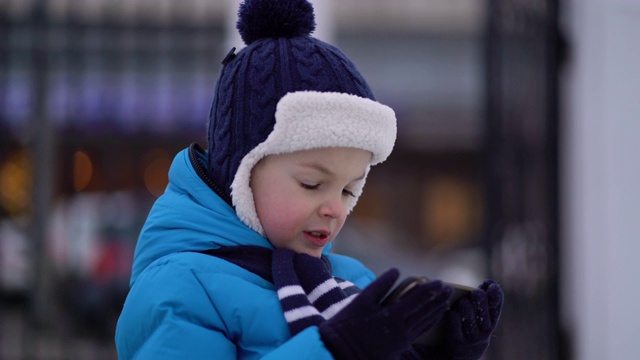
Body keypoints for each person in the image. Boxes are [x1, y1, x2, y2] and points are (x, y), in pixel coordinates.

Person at [115, 0, 504, 359]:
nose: (336, 209)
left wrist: (442, 353)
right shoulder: (181, 290)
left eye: (350, 189)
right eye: (312, 184)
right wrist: (335, 350)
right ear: (242, 172)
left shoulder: (350, 282)